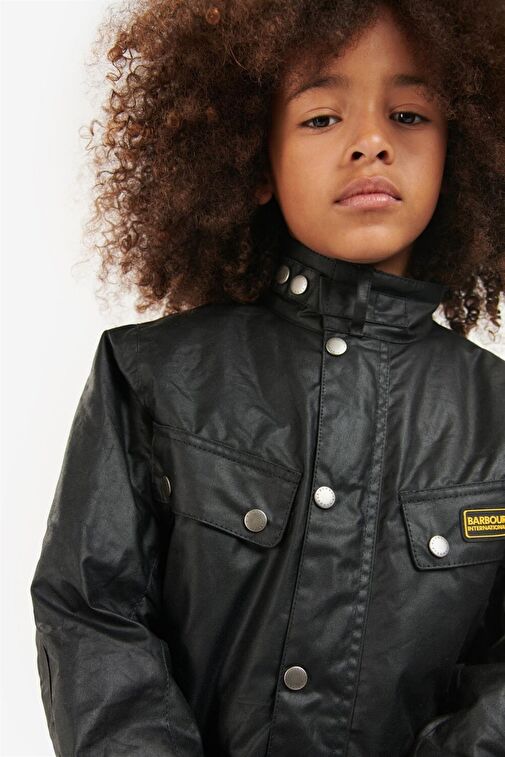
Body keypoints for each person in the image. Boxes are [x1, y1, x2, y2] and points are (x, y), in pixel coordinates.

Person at [30, 0, 505, 755]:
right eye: (322, 118)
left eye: (409, 115)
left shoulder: (496, 419)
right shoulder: (151, 378)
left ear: (464, 148)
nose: (372, 141)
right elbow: (93, 614)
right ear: (256, 160)